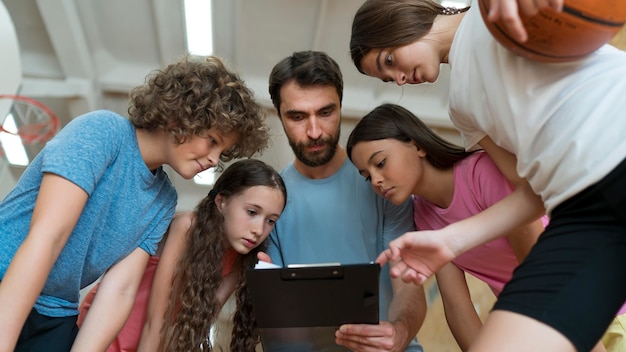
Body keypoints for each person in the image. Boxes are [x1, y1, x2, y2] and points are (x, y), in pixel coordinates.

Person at [349, 0, 626, 352]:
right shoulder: (463, 110)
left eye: (389, 61)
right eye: (389, 79)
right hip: (584, 212)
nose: (400, 78)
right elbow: (531, 194)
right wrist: (450, 241)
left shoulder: (492, 14)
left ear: (400, 19)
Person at [0, 54, 270, 352]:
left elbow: (120, 290)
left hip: (56, 310)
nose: (214, 160)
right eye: (212, 140)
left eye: (223, 152)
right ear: (181, 115)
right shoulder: (102, 132)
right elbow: (48, 237)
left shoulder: (163, 199)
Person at [346, 102, 550, 350]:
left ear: (417, 145)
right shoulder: (423, 217)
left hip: (584, 309)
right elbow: (457, 308)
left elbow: (538, 269)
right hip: (537, 325)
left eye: (380, 163)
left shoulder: (481, 173)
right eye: (367, 176)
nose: (376, 181)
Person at [264, 50, 427, 352]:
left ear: (340, 105)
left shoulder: (384, 183)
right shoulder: (265, 201)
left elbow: (407, 282)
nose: (314, 132)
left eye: (325, 113)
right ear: (279, 116)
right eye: (298, 116)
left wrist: (400, 332)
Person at [78, 159, 287, 351]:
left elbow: (198, 323)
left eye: (270, 220)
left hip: (156, 342)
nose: (259, 229)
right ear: (222, 202)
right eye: (252, 212)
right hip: (107, 326)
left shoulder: (242, 258)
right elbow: (156, 320)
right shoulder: (187, 226)